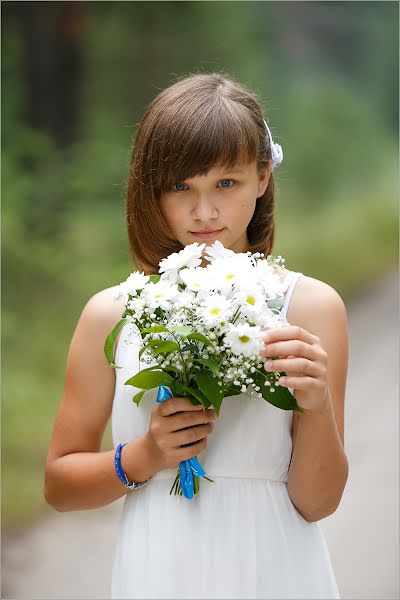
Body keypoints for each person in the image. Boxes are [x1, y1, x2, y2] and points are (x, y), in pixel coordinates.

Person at [45, 72, 349, 599]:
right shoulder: (112, 313)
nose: (204, 212)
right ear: (151, 190)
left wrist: (316, 405)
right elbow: (59, 485)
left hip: (274, 566)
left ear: (262, 176)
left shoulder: (310, 308)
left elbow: (317, 503)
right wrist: (142, 456)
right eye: (180, 186)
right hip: (160, 568)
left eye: (225, 184)